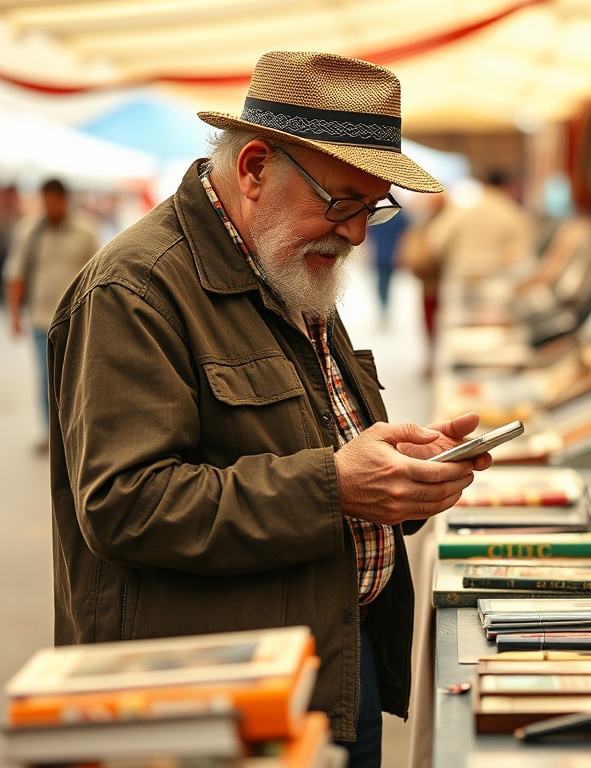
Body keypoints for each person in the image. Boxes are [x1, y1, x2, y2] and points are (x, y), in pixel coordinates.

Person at [47, 51, 491, 768]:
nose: (355, 233)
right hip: (217, 706)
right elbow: (125, 503)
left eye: (372, 207)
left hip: (330, 663)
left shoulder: (283, 260)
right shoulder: (134, 290)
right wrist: (337, 485)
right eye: (343, 200)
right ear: (255, 169)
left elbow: (312, 439)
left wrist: (397, 475)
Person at [4, 178, 99, 447]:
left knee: (78, 378)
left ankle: (77, 433)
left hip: (77, 319)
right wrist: (14, 316)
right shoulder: (28, 231)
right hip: (40, 319)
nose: (50, 208)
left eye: (54, 202)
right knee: (47, 378)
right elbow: (15, 274)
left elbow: (98, 274)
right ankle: (53, 436)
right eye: (45, 202)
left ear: (64, 201)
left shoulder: (86, 230)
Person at [366, 204, 408, 326]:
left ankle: (384, 307)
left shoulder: (395, 216)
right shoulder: (386, 216)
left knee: (383, 283)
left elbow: (403, 235)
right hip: (383, 254)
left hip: (388, 254)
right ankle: (384, 307)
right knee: (382, 284)